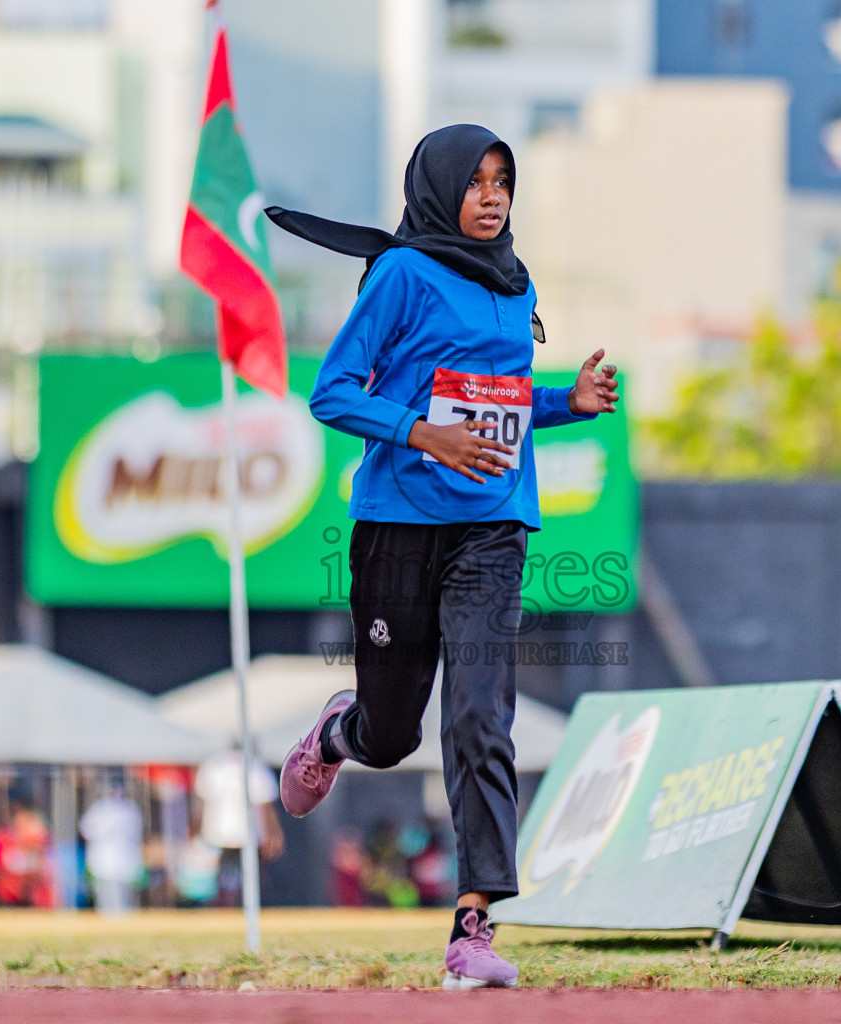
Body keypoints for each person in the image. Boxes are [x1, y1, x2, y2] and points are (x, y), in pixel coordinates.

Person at [265, 123, 621, 989]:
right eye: (476, 182)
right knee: (393, 737)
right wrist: (423, 433)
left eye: (504, 181)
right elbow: (332, 392)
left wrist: (566, 401)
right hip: (397, 523)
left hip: (494, 525)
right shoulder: (401, 274)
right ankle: (343, 729)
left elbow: (496, 399)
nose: (493, 196)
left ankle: (474, 929)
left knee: (479, 714)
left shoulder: (514, 282)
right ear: (439, 189)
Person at [194, 745, 285, 907]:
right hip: (247, 834)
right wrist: (273, 833)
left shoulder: (213, 765)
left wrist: (195, 831)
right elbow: (266, 804)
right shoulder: (256, 767)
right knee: (248, 879)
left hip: (218, 833)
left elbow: (201, 803)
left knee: (224, 880)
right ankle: (241, 908)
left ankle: (225, 908)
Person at [79, 786, 143, 916]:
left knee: (118, 899)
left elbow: (88, 830)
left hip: (117, 861)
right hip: (108, 861)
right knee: (109, 897)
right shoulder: (127, 809)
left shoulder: (116, 809)